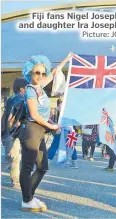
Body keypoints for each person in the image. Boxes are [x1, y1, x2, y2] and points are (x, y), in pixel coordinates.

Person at [19, 53, 72, 212]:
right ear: (30, 73)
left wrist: (66, 60)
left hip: (40, 130)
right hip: (32, 130)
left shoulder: (40, 87)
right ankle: (26, 200)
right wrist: (52, 126)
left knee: (43, 167)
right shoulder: (30, 90)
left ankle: (29, 196)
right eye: (37, 73)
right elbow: (35, 115)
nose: (41, 76)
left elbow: (54, 73)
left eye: (43, 73)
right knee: (27, 166)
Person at [1, 77, 28, 187]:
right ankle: (15, 179)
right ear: (22, 89)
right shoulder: (20, 99)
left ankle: (15, 180)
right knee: (10, 157)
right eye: (27, 88)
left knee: (16, 157)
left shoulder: (12, 98)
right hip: (11, 133)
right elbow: (15, 118)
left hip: (10, 132)